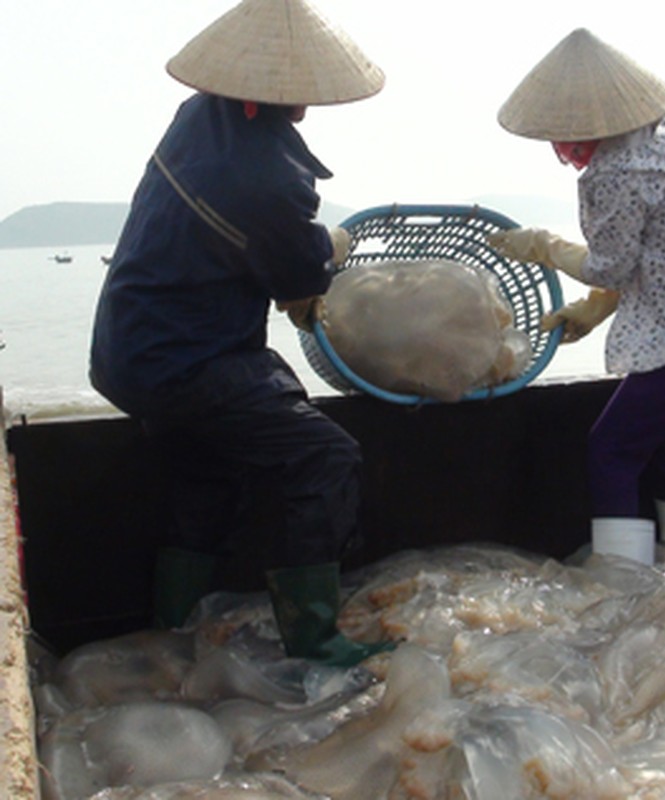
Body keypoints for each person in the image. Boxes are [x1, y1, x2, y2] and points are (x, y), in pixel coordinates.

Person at [89, 0, 387, 664]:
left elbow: (241, 241)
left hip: (126, 351)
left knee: (210, 468)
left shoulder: (196, 118)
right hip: (187, 360)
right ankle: (314, 638)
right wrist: (322, 258)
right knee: (326, 456)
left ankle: (174, 628)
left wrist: (304, 251)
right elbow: (296, 277)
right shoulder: (268, 178)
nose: (303, 107)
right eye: (296, 97)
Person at [489, 28, 665, 560]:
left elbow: (610, 265)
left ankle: (622, 591)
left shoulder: (615, 173)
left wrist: (546, 247)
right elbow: (660, 247)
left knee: (612, 448)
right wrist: (597, 309)